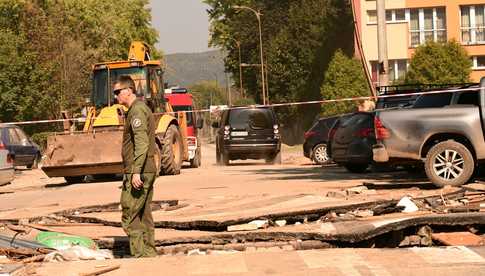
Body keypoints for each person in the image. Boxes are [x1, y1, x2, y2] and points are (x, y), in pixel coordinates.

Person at [113, 75, 158, 258]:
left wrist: (135, 172)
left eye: (118, 92)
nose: (116, 96)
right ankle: (149, 254)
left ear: (129, 90)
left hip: (139, 170)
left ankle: (140, 256)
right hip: (145, 168)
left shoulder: (137, 112)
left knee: (130, 214)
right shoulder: (137, 110)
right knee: (144, 214)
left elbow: (141, 144)